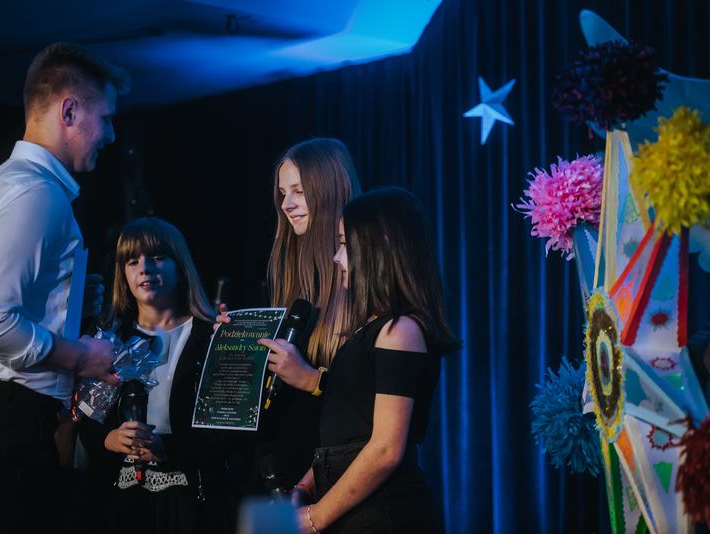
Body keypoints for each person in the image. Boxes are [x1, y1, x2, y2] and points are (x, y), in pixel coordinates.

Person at [0, 42, 129, 534]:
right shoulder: (38, 194)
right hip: (7, 424)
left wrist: (61, 303)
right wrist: (79, 356)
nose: (111, 134)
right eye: (105, 119)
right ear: (69, 111)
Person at [295, 187, 459, 533]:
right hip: (351, 509)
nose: (337, 257)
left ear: (378, 247)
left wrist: (315, 517)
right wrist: (305, 485)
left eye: (344, 244)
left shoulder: (400, 331)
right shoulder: (371, 328)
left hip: (381, 514)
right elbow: (348, 429)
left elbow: (385, 448)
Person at [218, 138, 361, 493]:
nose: (286, 204)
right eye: (283, 193)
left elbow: (374, 401)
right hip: (279, 471)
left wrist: (312, 379)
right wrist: (236, 342)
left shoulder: (362, 278)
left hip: (338, 481)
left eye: (299, 191)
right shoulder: (286, 273)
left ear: (330, 188)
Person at [78, 217, 233, 533]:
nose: (145, 269)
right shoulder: (108, 338)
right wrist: (109, 439)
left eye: (157, 257)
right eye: (132, 261)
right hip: (122, 502)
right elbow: (86, 420)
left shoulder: (212, 336)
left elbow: (228, 432)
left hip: (192, 501)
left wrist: (168, 449)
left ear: (181, 266)